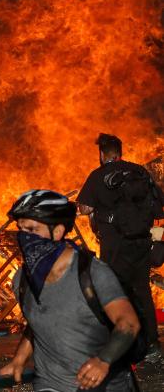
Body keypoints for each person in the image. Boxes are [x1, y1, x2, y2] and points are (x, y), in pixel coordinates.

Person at [0, 189, 140, 391]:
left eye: (32, 229)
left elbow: (128, 324)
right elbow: (39, 321)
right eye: (21, 230)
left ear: (57, 232)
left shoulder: (92, 273)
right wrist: (19, 359)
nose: (25, 237)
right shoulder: (22, 279)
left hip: (105, 387)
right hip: (50, 385)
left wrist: (103, 360)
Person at [77, 133, 164, 362]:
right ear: (120, 152)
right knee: (142, 291)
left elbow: (84, 208)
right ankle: (152, 345)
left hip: (115, 247)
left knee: (114, 294)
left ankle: (121, 345)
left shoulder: (98, 176)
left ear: (102, 154)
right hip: (142, 244)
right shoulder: (139, 172)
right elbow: (157, 204)